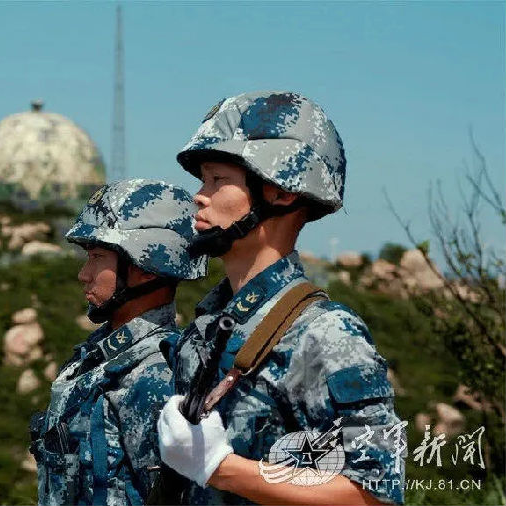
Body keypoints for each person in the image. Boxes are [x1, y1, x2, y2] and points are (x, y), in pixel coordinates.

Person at [156, 91, 405, 505]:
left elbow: (374, 495)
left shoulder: (326, 334)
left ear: (282, 193)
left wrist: (223, 469)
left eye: (218, 180)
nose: (200, 195)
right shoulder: (203, 330)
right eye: (202, 180)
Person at [30, 179, 208, 505]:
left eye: (97, 257)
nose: (84, 273)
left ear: (146, 268)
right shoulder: (99, 357)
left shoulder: (157, 374)